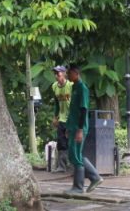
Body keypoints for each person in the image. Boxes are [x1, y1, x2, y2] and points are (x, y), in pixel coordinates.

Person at [65, 65, 103, 194]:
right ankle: (94, 177)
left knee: (75, 156)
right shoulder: (74, 87)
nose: (67, 76)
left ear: (76, 74)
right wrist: (69, 127)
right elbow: (73, 110)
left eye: (69, 74)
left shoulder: (82, 88)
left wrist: (80, 129)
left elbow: (83, 109)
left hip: (79, 128)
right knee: (75, 155)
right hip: (73, 126)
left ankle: (78, 187)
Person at [51, 65, 72, 173]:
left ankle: (74, 166)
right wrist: (55, 117)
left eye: (58, 73)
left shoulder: (71, 85)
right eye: (55, 73)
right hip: (61, 119)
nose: (56, 76)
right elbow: (56, 103)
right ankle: (62, 166)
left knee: (72, 142)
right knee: (61, 142)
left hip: (71, 119)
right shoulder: (54, 86)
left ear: (64, 74)